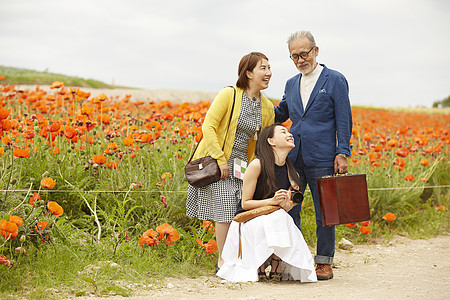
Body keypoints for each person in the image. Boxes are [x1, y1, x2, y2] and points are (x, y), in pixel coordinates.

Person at [275, 31, 353, 280]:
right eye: (294, 56)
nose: (300, 60)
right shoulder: (290, 83)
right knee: (291, 206)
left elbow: (344, 119)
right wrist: (253, 104)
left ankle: (324, 261)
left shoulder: (335, 80)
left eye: (304, 53)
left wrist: (342, 152)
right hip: (294, 157)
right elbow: (281, 113)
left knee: (324, 211)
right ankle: (297, 257)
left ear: (316, 51)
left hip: (323, 157)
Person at [186, 52, 275, 271]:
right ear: (248, 73)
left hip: (243, 166)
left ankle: (239, 258)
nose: (269, 73)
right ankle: (223, 262)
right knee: (226, 210)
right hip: (219, 162)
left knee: (240, 211)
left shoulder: (268, 107)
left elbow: (262, 143)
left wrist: (258, 169)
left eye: (269, 67)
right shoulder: (230, 95)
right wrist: (221, 159)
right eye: (263, 68)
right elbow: (209, 126)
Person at [216, 123, 317, 283]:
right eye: (283, 132)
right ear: (271, 141)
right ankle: (263, 263)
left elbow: (286, 208)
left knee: (282, 216)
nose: (289, 134)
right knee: (279, 217)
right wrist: (272, 201)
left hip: (273, 219)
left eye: (289, 132)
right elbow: (245, 203)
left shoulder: (293, 172)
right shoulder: (257, 165)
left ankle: (276, 262)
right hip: (247, 220)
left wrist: (288, 203)